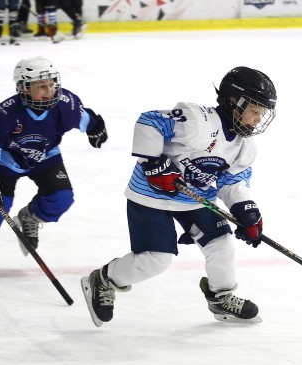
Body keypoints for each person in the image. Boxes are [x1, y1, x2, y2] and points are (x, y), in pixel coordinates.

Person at [80, 66, 277, 326]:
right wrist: (153, 163)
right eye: (254, 111)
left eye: (261, 114)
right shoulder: (199, 121)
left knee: (222, 245)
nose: (256, 119)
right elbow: (150, 122)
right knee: (156, 261)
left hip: (194, 199)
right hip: (152, 196)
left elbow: (232, 181)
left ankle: (221, 298)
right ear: (233, 101)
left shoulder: (243, 145)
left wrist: (246, 210)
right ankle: (104, 279)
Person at [0, 56, 109, 276]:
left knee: (62, 198)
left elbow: (84, 117)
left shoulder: (65, 105)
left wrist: (96, 126)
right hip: (7, 162)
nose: (49, 90)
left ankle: (30, 216)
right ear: (23, 88)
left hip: (45, 156)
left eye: (52, 84)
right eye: (41, 86)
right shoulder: (3, 114)